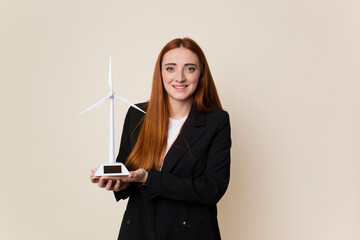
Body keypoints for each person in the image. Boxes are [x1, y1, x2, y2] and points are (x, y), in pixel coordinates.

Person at [90, 38, 231, 240]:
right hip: (140, 231)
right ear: (160, 73)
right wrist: (118, 183)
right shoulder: (137, 115)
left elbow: (212, 189)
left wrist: (149, 178)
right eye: (170, 68)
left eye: (190, 69)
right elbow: (126, 170)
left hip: (191, 234)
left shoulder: (217, 121)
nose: (179, 77)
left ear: (201, 74)